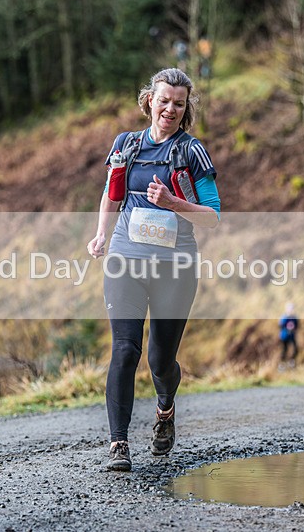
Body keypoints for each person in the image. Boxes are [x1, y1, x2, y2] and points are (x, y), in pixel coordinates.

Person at [87, 68, 221, 472]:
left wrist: (172, 203)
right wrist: (101, 235)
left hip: (174, 268)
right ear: (149, 100)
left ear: (186, 108)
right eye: (164, 100)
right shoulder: (126, 145)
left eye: (179, 103)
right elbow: (111, 194)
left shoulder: (191, 152)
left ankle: (165, 408)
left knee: (160, 361)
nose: (170, 109)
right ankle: (119, 443)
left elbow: (212, 217)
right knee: (125, 349)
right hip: (126, 260)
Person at [278, 302, 299, 369]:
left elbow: (297, 326)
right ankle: (282, 365)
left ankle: (291, 362)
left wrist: (293, 329)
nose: (291, 310)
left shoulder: (294, 318)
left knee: (295, 349)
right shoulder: (284, 317)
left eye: (292, 309)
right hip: (284, 337)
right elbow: (280, 325)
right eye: (290, 309)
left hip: (292, 336)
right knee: (285, 350)